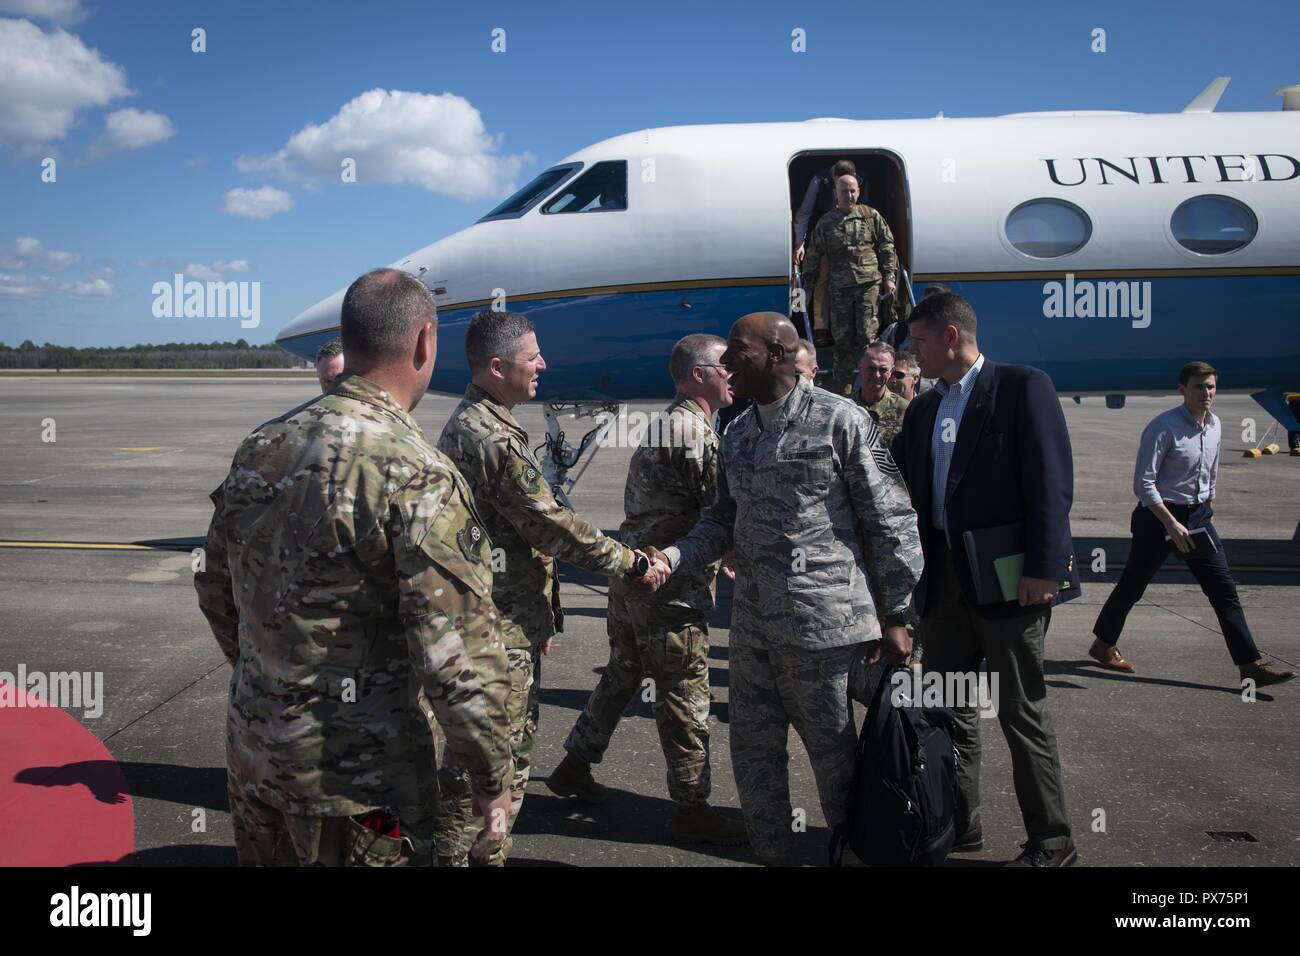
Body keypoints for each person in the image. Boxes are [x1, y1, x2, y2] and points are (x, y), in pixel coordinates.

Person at [195, 268, 515, 867]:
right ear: (424, 341)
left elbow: (214, 585)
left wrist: (270, 678)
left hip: (255, 758)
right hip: (358, 784)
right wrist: (491, 773)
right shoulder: (418, 471)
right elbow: (457, 652)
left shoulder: (263, 444)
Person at [646, 311, 923, 866]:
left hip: (822, 631)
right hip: (752, 632)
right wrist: (671, 557)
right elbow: (721, 522)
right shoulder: (739, 433)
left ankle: (852, 853)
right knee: (752, 756)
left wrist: (898, 615)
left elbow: (891, 521)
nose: (725, 362)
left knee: (836, 764)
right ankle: (774, 854)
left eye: (737, 350)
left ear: (776, 353)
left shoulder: (840, 420)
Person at [435, 308, 652, 866]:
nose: (543, 364)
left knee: (495, 759)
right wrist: (629, 563)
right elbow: (552, 525)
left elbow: (518, 535)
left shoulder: (484, 424)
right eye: (533, 357)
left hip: (506, 619)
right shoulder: (492, 439)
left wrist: (542, 617)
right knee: (488, 769)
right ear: (497, 365)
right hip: (495, 630)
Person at [890, 291, 1080, 867]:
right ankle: (958, 823)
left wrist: (1045, 569)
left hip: (1008, 580)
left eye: (918, 341)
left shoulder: (1023, 387)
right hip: (943, 582)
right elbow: (893, 482)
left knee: (1021, 711)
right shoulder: (923, 409)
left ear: (951, 337)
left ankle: (1052, 839)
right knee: (948, 708)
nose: (911, 353)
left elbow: (1050, 484)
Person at [557, 334, 747, 844]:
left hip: (634, 576)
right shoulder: (693, 433)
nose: (734, 373)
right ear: (700, 374)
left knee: (622, 675)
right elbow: (720, 511)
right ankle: (692, 807)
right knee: (686, 694)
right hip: (668, 587)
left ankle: (575, 763)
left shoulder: (670, 422)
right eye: (725, 365)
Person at [1090, 362, 1294, 686]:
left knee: (1223, 590)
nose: (1206, 394)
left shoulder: (1214, 426)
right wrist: (1170, 523)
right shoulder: (1164, 427)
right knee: (1134, 584)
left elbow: (1210, 474)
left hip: (1197, 517)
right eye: (1199, 387)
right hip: (1157, 518)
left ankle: (1249, 666)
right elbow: (1143, 484)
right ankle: (1103, 643)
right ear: (1182, 390)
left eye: (1211, 387)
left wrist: (1205, 509)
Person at [801, 174, 897, 397]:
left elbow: (886, 245)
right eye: (844, 191)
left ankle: (871, 387)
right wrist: (807, 287)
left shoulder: (871, 216)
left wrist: (889, 276)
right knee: (842, 339)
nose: (849, 195)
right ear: (835, 193)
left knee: (866, 335)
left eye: (853, 190)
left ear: (859, 191)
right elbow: (813, 255)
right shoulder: (826, 222)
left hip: (868, 285)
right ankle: (843, 388)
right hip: (840, 288)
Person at [793, 160, 865, 347]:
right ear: (833, 178)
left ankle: (854, 329)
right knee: (820, 282)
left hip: (852, 240)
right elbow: (805, 212)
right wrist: (800, 242)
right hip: (825, 238)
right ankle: (820, 329)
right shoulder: (819, 180)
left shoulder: (860, 182)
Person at [855, 341, 909, 445]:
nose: (877, 375)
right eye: (871, 368)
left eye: (883, 370)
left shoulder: (905, 410)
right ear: (860, 367)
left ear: (891, 371)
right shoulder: (846, 406)